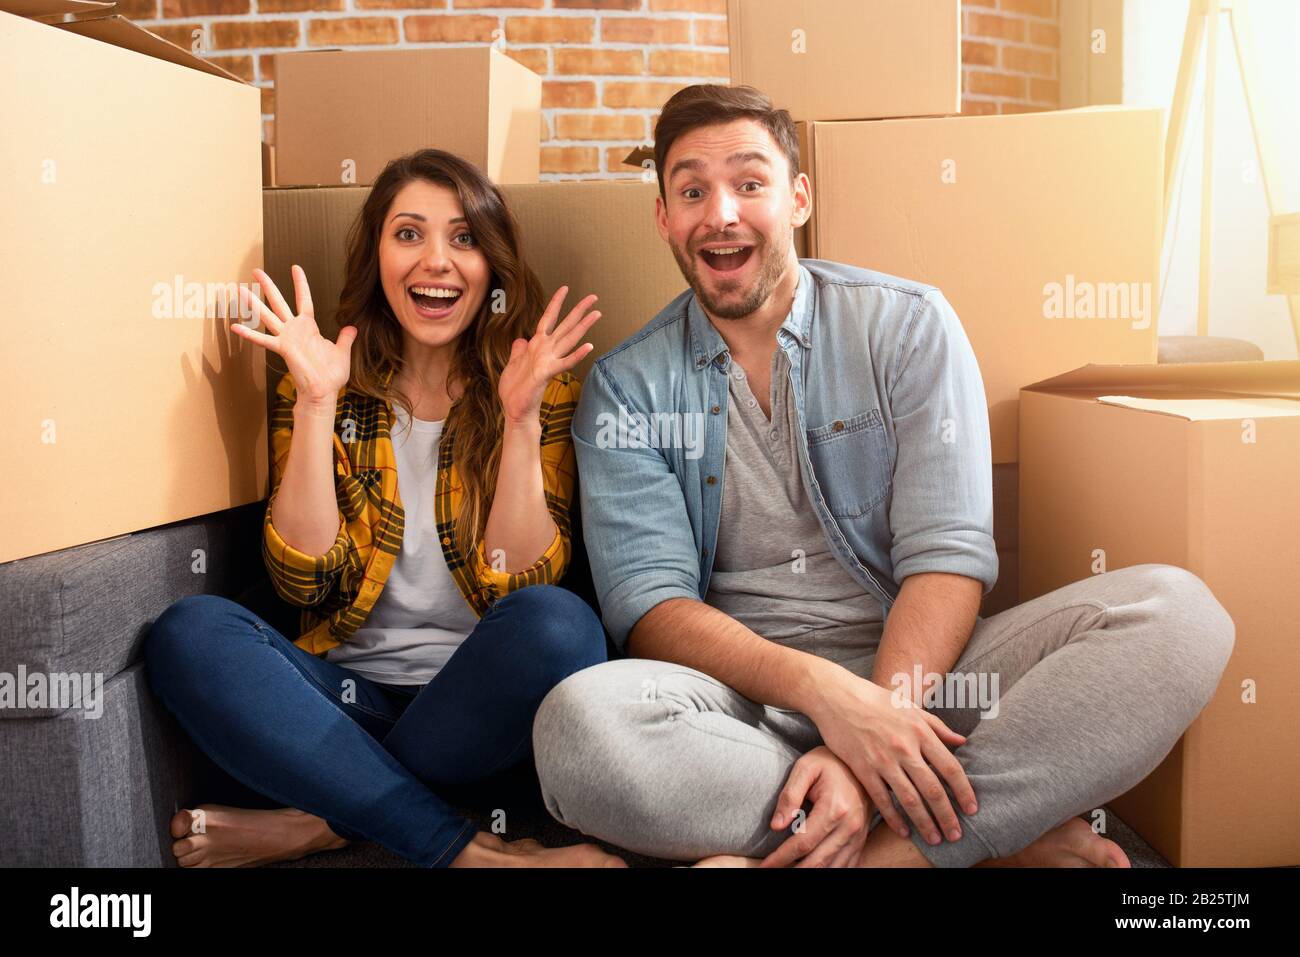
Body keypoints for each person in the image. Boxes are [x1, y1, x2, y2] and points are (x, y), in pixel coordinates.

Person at [531, 85, 1237, 868]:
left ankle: (879, 849)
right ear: (664, 218)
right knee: (576, 726)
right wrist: (830, 700)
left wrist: (876, 732)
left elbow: (948, 554)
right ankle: (983, 841)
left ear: (798, 198)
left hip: (938, 685)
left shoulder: (906, 326)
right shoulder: (628, 387)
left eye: (750, 182)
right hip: (743, 712)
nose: (721, 212)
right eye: (692, 190)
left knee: (1178, 615)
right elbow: (651, 607)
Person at [145, 148, 622, 868]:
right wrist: (314, 403)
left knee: (562, 628)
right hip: (341, 703)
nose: (436, 260)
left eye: (463, 238)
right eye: (409, 234)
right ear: (376, 255)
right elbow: (303, 582)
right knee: (188, 632)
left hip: (476, 714)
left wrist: (520, 422)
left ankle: (322, 819)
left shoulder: (544, 389)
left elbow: (521, 586)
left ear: (492, 265)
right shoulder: (324, 386)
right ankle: (472, 854)